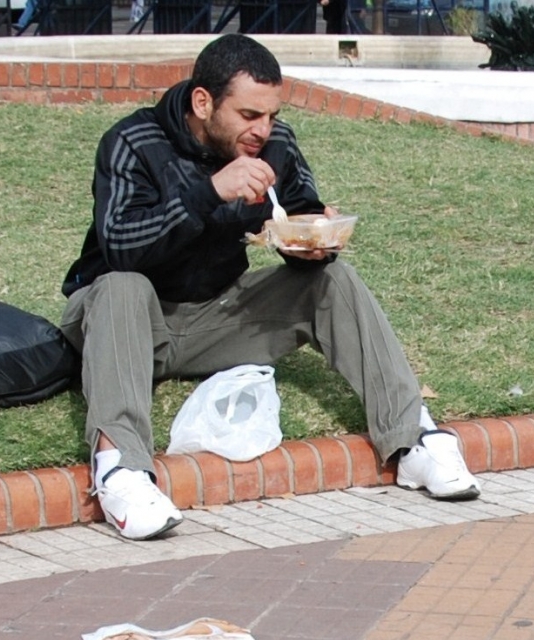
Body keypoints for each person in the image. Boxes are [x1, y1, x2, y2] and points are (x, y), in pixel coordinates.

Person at [59, 34, 480, 542]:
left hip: (214, 318)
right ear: (203, 102)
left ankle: (413, 439)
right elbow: (122, 246)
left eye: (271, 115)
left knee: (332, 279)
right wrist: (210, 192)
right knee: (123, 285)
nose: (263, 129)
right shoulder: (133, 142)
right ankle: (120, 469)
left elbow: (298, 209)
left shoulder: (275, 145)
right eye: (248, 115)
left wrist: (311, 240)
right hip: (124, 324)